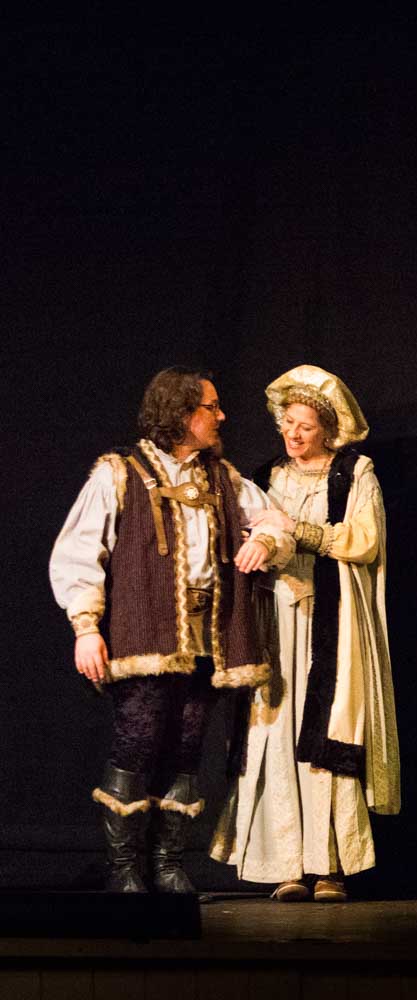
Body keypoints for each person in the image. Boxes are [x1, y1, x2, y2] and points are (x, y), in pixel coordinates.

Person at [50, 366, 291, 893]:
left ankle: (167, 865)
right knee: (137, 743)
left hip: (206, 639)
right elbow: (79, 552)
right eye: (211, 406)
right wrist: (85, 627)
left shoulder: (221, 478)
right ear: (181, 413)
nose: (221, 415)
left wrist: (264, 541)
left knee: (186, 747)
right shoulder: (119, 473)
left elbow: (277, 521)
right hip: (145, 634)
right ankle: (124, 870)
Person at [210, 365, 401, 902]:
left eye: (306, 426)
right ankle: (287, 864)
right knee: (275, 729)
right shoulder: (267, 476)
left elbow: (364, 539)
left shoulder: (353, 473)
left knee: (326, 730)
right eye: (288, 423)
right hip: (276, 618)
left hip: (331, 620)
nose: (293, 435)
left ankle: (330, 865)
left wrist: (301, 531)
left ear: (328, 428)